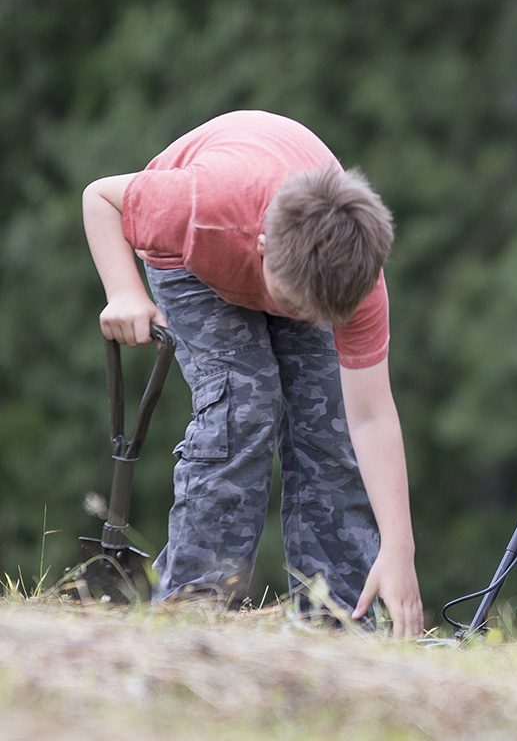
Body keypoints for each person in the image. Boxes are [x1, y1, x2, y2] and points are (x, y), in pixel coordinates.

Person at [82, 110, 423, 637]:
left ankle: (337, 625)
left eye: (319, 315)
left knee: (329, 428)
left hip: (292, 261)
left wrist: (400, 548)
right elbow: (100, 197)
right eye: (292, 304)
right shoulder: (201, 206)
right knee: (244, 405)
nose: (302, 321)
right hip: (191, 261)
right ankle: (191, 613)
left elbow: (372, 417)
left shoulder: (353, 283)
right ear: (262, 248)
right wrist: (124, 291)